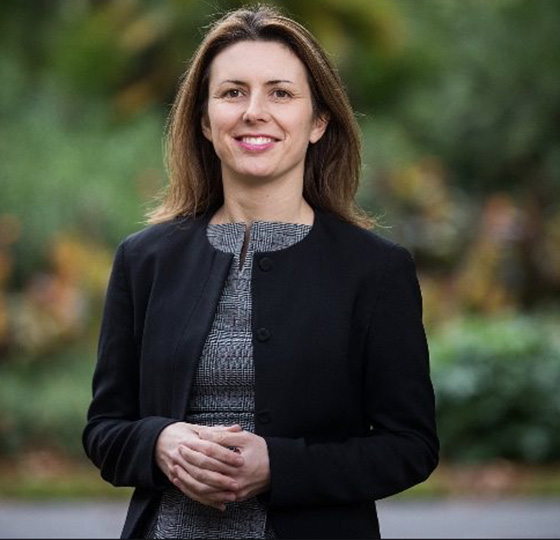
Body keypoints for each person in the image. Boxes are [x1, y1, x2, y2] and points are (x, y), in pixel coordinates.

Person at [82, 5, 439, 539]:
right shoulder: (144, 260)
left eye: (280, 93)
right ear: (205, 121)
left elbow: (410, 446)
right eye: (232, 92)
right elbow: (104, 431)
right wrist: (159, 443)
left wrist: (280, 466)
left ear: (317, 121)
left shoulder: (376, 270)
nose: (254, 111)